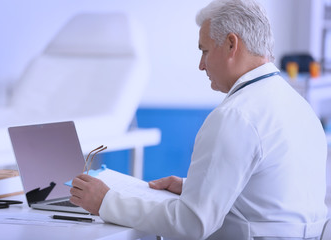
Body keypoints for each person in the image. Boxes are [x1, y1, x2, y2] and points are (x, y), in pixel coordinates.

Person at [70, 0, 328, 239]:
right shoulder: (299, 106)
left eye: (204, 51)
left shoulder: (236, 115)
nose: (201, 65)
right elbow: (276, 199)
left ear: (231, 44)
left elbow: (192, 224)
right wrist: (198, 188)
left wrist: (105, 202)